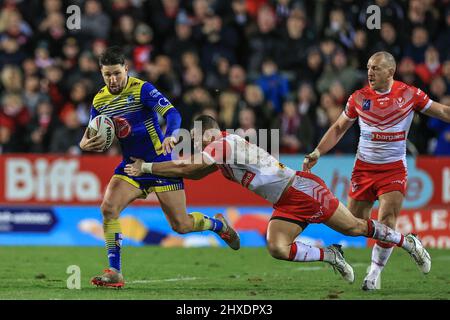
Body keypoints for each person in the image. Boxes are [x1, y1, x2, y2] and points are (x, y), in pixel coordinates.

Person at [124, 115, 431, 284]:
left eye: (199, 137)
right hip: (285, 202)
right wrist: (156, 180)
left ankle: (407, 242)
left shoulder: (225, 142)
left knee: (353, 227)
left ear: (208, 134)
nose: (199, 142)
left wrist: (148, 167)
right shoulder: (220, 158)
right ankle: (331, 256)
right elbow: (192, 173)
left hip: (300, 189)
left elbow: (188, 165)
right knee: (276, 247)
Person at [78, 47, 240, 288]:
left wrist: (172, 135)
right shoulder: (100, 100)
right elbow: (92, 130)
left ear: (126, 69)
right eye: (107, 75)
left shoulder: (142, 89)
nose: (112, 80)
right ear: (101, 74)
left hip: (161, 163)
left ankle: (218, 224)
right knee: (108, 209)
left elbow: (172, 113)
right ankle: (115, 271)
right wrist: (83, 142)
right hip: (132, 166)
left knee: (181, 225)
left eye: (116, 74)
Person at [303, 51, 450, 290]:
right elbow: (339, 127)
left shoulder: (410, 94)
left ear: (390, 72)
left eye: (376, 68)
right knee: (352, 225)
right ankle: (408, 242)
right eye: (369, 67)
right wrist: (318, 151)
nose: (370, 72)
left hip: (393, 169)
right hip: (363, 170)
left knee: (387, 219)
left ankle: (374, 274)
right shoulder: (358, 98)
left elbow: (442, 111)